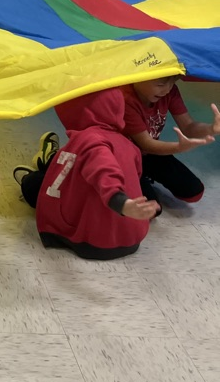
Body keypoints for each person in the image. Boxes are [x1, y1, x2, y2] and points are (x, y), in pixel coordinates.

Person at [13, 90, 159, 259]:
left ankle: (43, 164)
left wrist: (122, 204)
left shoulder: (91, 140)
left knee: (33, 184)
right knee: (73, 170)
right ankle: (48, 160)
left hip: (90, 240)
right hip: (132, 240)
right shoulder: (128, 144)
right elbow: (133, 176)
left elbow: (105, 171)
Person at [122, 75, 219, 210]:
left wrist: (211, 129)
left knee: (194, 191)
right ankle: (134, 178)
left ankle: (145, 174)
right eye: (160, 84)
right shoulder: (125, 98)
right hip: (127, 158)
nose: (167, 89)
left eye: (173, 82)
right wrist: (178, 147)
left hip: (149, 154)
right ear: (137, 78)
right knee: (149, 210)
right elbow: (146, 144)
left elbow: (188, 126)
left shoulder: (170, 92)